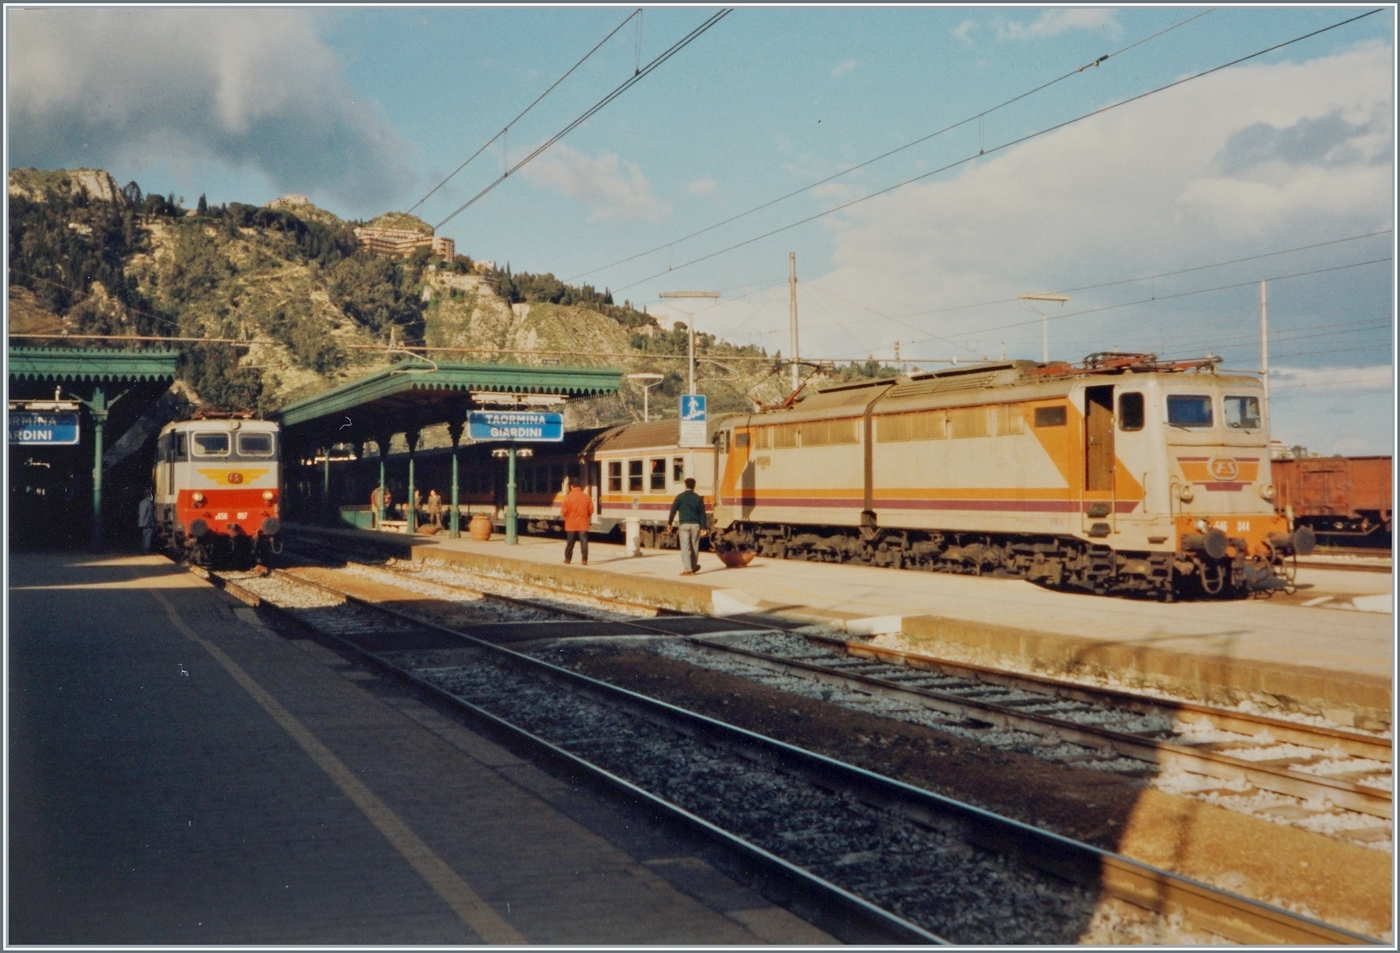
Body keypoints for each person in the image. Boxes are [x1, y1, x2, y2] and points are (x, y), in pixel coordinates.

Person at [666, 477, 706, 575]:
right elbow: (702, 513)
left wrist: (670, 523)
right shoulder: (698, 498)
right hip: (696, 525)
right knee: (694, 547)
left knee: (685, 547)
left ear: (685, 485)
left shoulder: (680, 497)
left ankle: (688, 569)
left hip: (684, 525)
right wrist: (703, 527)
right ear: (694, 486)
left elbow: (673, 511)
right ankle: (693, 566)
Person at [560, 480, 593, 565]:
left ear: (571, 486)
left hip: (571, 525)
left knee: (570, 543)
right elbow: (591, 510)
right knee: (584, 543)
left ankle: (567, 559)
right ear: (580, 487)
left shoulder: (568, 497)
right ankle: (584, 560)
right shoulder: (586, 497)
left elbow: (563, 512)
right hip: (583, 524)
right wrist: (586, 516)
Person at [137, 487, 155, 553]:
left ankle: (143, 549)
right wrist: (153, 521)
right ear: (150, 495)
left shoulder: (141, 502)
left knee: (144, 536)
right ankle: (146, 550)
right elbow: (150, 513)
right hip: (147, 522)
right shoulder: (149, 502)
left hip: (141, 522)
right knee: (148, 537)